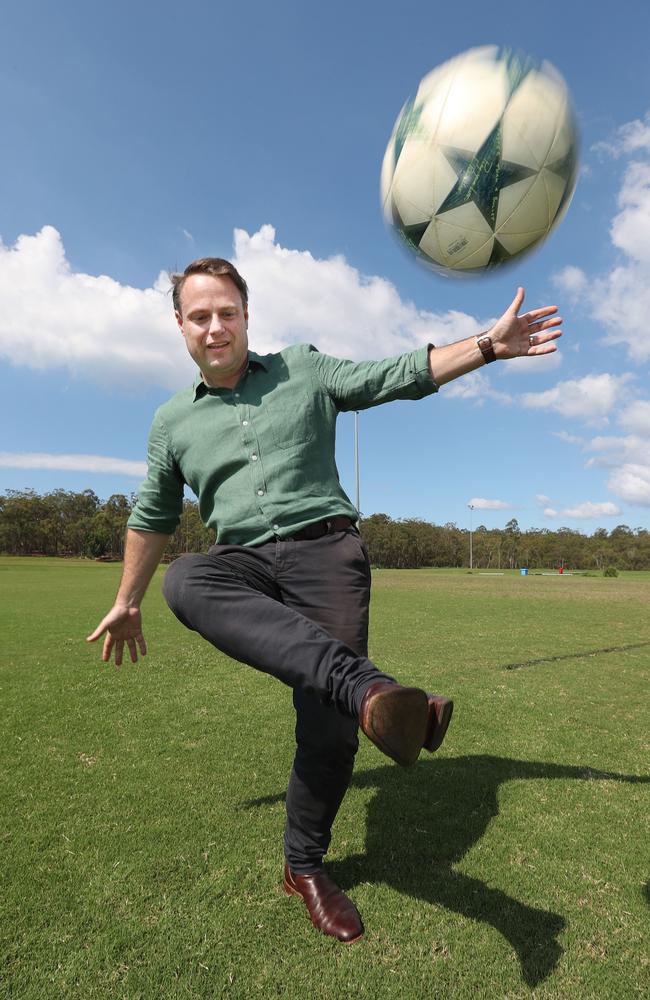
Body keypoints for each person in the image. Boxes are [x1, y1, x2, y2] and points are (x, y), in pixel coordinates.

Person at [87, 258, 561, 943]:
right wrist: (126, 599)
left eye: (227, 313)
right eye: (199, 316)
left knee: (330, 730)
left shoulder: (303, 369)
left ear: (247, 317)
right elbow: (153, 515)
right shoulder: (171, 422)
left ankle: (302, 864)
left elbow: (392, 375)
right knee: (185, 579)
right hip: (241, 562)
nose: (215, 327)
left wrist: (487, 346)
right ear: (180, 326)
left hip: (326, 553)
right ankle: (373, 697)